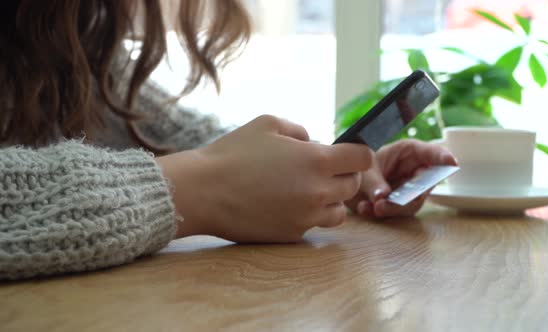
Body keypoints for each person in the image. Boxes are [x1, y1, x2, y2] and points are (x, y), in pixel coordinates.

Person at [0, 0, 456, 281]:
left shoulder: (63, 40)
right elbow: (193, 162)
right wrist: (195, 189)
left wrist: (316, 168)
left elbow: (161, 127)